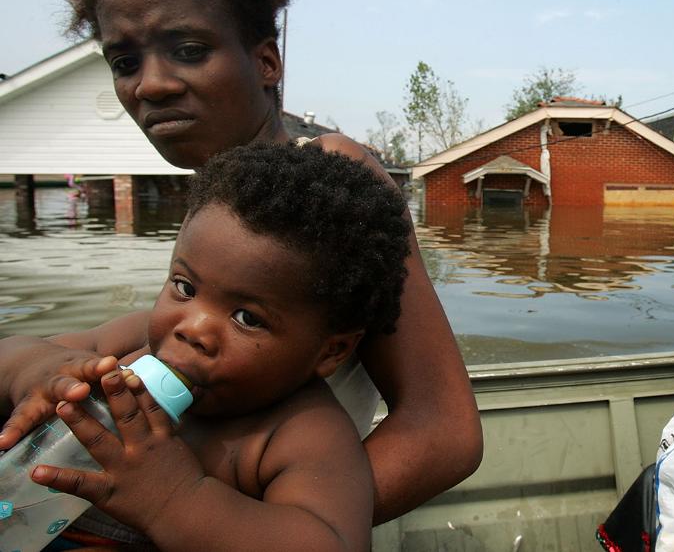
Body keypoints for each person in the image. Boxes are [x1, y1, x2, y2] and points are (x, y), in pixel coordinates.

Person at [0, 0, 482, 525]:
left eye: (189, 49)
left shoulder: (332, 177)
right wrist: (40, 373)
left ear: (265, 63)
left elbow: (444, 432)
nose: (149, 85)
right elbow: (85, 347)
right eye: (125, 63)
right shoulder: (221, 207)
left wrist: (188, 525)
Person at [0, 142, 408, 548]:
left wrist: (173, 498)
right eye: (185, 287)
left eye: (247, 318)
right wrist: (37, 371)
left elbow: (334, 543)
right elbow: (12, 351)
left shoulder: (302, 434)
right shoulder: (132, 345)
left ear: (330, 352)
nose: (193, 328)